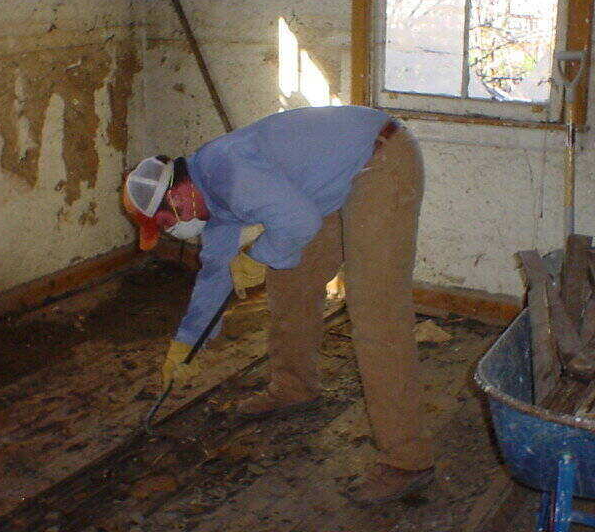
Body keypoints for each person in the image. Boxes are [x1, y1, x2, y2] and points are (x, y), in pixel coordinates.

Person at [122, 105, 433, 504]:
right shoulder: (209, 199)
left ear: (178, 195)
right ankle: (294, 386)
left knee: (376, 314)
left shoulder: (226, 172)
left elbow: (298, 224)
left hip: (381, 158)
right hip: (337, 179)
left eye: (165, 224)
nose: (171, 233)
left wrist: (254, 259)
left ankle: (408, 460)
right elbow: (216, 274)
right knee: (290, 281)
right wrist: (187, 344)